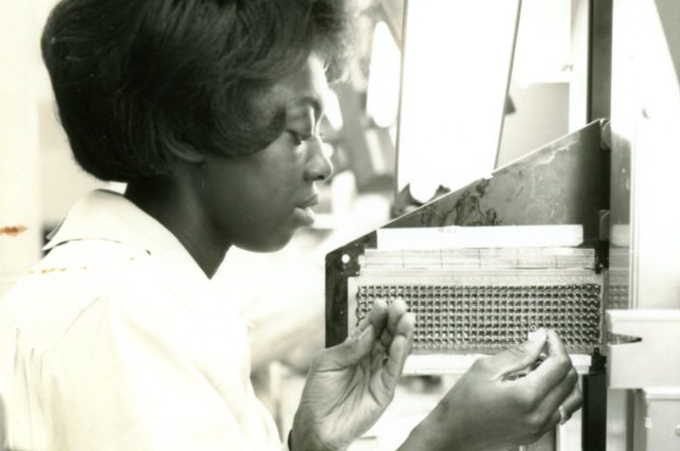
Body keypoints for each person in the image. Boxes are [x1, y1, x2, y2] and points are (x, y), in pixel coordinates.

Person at [0, 0, 583, 450]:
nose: (323, 164)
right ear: (185, 130)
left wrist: (311, 445)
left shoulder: (146, 297)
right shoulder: (121, 321)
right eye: (298, 134)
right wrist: (443, 438)